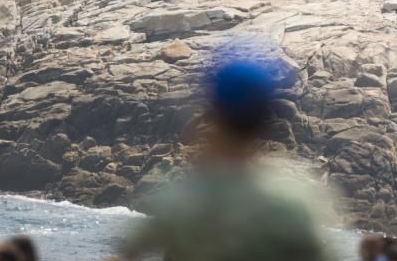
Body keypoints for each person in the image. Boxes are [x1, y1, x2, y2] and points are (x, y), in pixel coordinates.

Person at [122, 55, 327, 261]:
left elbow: (131, 254)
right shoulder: (290, 203)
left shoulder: (182, 201)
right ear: (263, 118)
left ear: (216, 114)